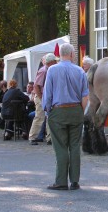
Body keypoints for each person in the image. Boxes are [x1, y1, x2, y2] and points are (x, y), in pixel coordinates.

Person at [42, 43, 89, 190]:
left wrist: (47, 111)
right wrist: (81, 111)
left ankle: (61, 181)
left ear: (59, 55)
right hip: (76, 110)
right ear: (72, 54)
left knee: (60, 147)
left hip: (58, 111)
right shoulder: (80, 71)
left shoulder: (52, 70)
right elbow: (85, 96)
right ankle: (75, 181)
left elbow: (47, 94)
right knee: (74, 146)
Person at [29, 53, 57, 145]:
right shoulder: (43, 71)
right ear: (51, 62)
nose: (56, 62)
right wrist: (41, 98)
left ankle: (49, 138)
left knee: (49, 117)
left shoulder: (50, 70)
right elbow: (36, 86)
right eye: (55, 61)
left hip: (46, 96)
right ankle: (32, 137)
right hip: (41, 96)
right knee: (40, 117)